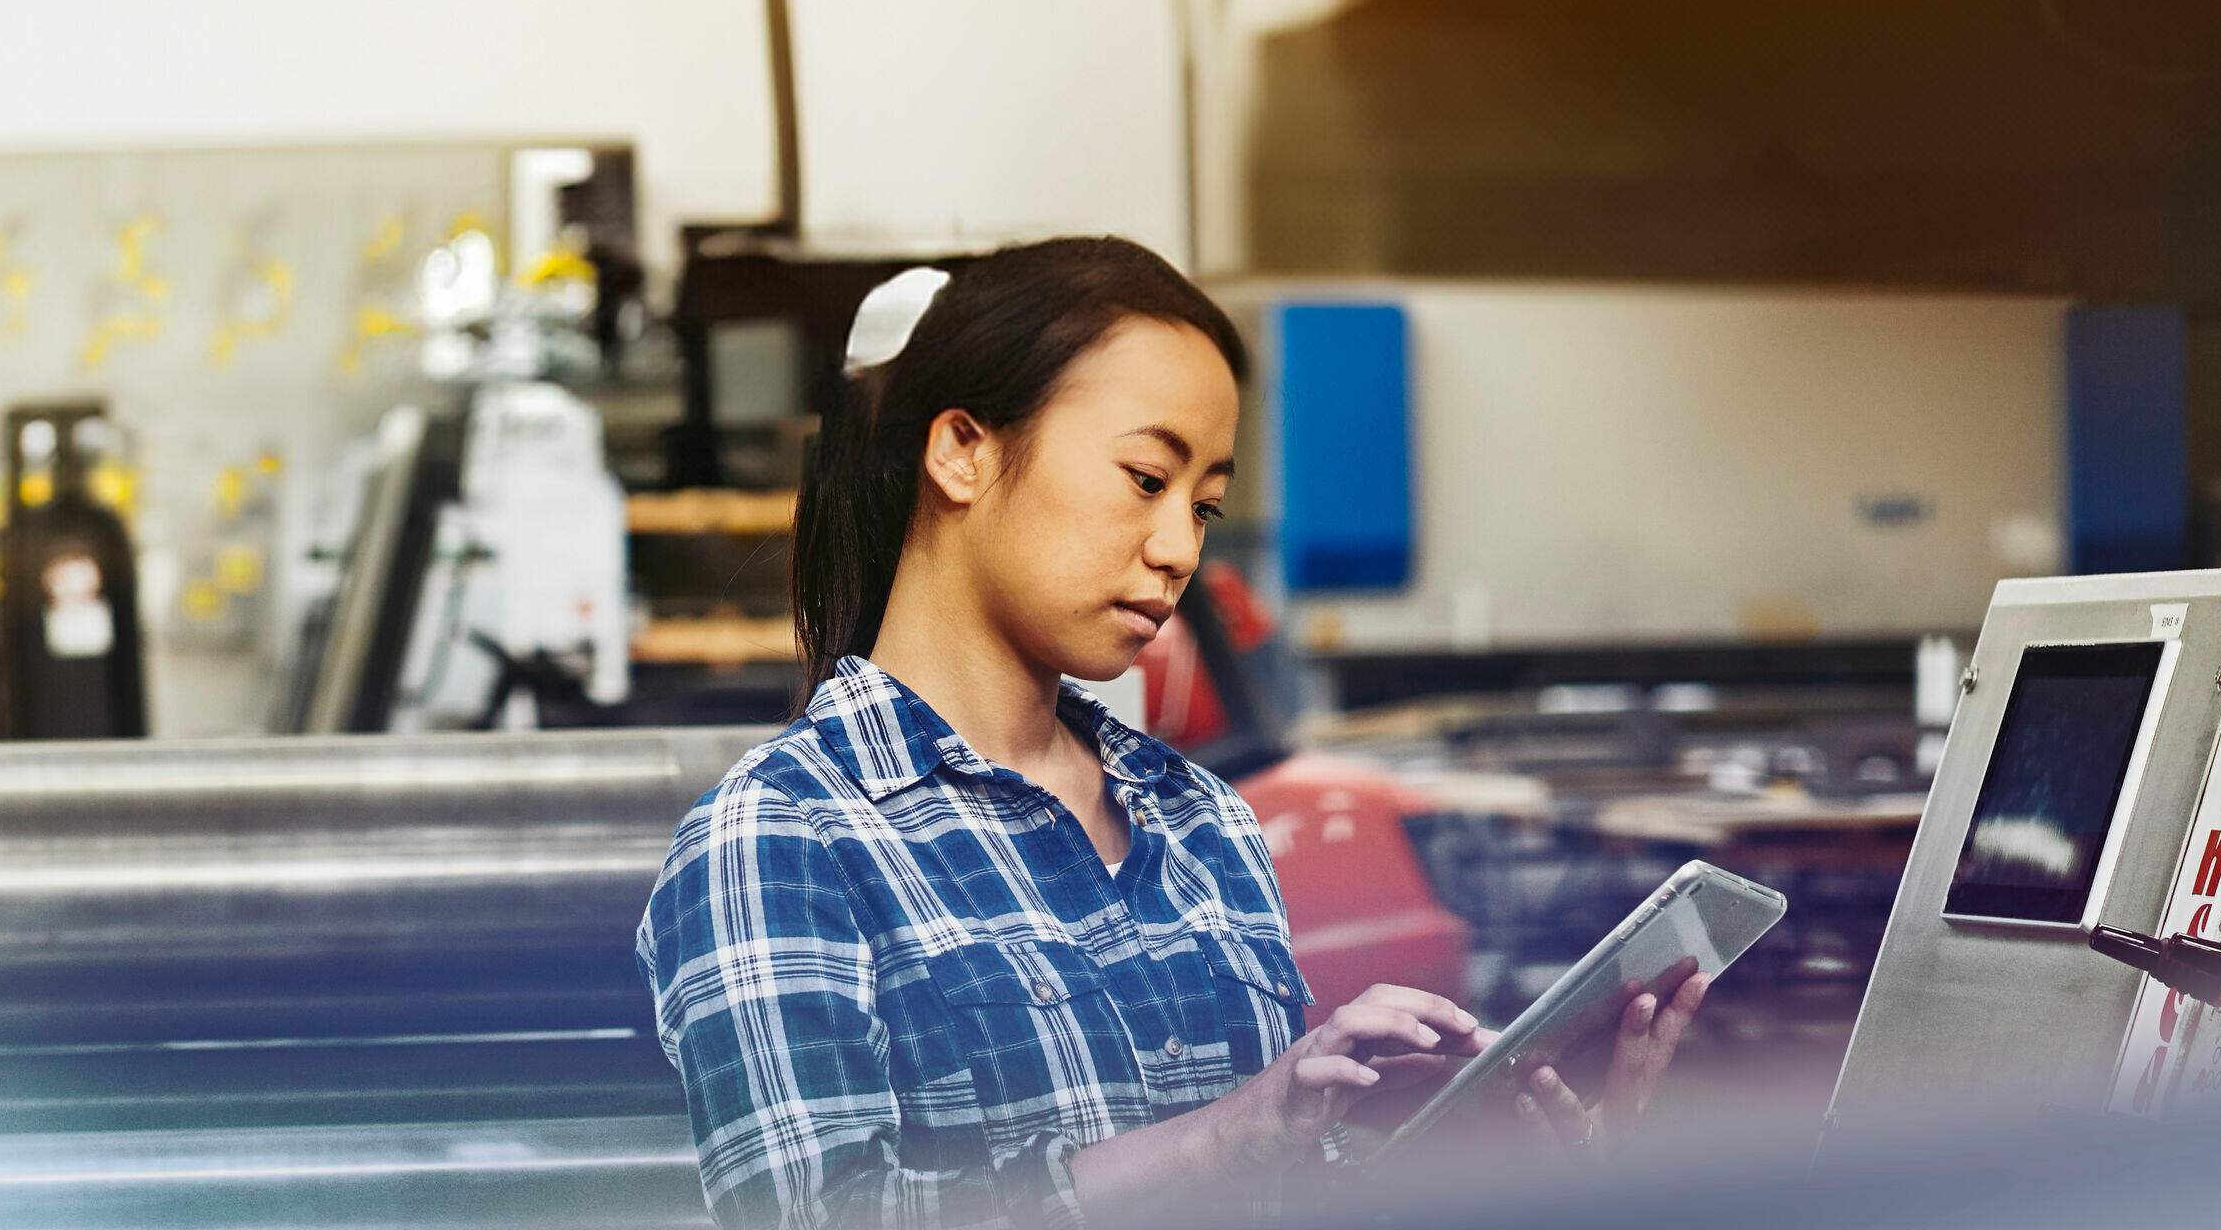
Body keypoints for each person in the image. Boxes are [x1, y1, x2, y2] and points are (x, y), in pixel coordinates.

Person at [637, 237, 1708, 1229]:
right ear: (962, 451)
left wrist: (1519, 1163)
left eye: (1203, 504)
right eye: (1148, 479)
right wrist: (1229, 1135)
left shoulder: (1201, 823)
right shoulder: (781, 838)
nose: (1177, 547)